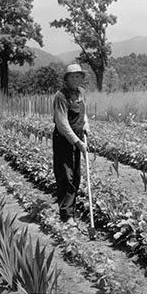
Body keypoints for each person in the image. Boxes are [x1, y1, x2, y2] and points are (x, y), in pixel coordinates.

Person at [52, 64, 90, 222]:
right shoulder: (60, 96)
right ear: (66, 79)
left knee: (76, 177)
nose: (76, 79)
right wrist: (78, 142)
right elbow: (62, 124)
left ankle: (71, 210)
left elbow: (84, 112)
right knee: (65, 177)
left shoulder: (81, 92)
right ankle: (66, 216)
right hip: (64, 140)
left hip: (78, 138)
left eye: (78, 76)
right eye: (72, 76)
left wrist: (86, 123)